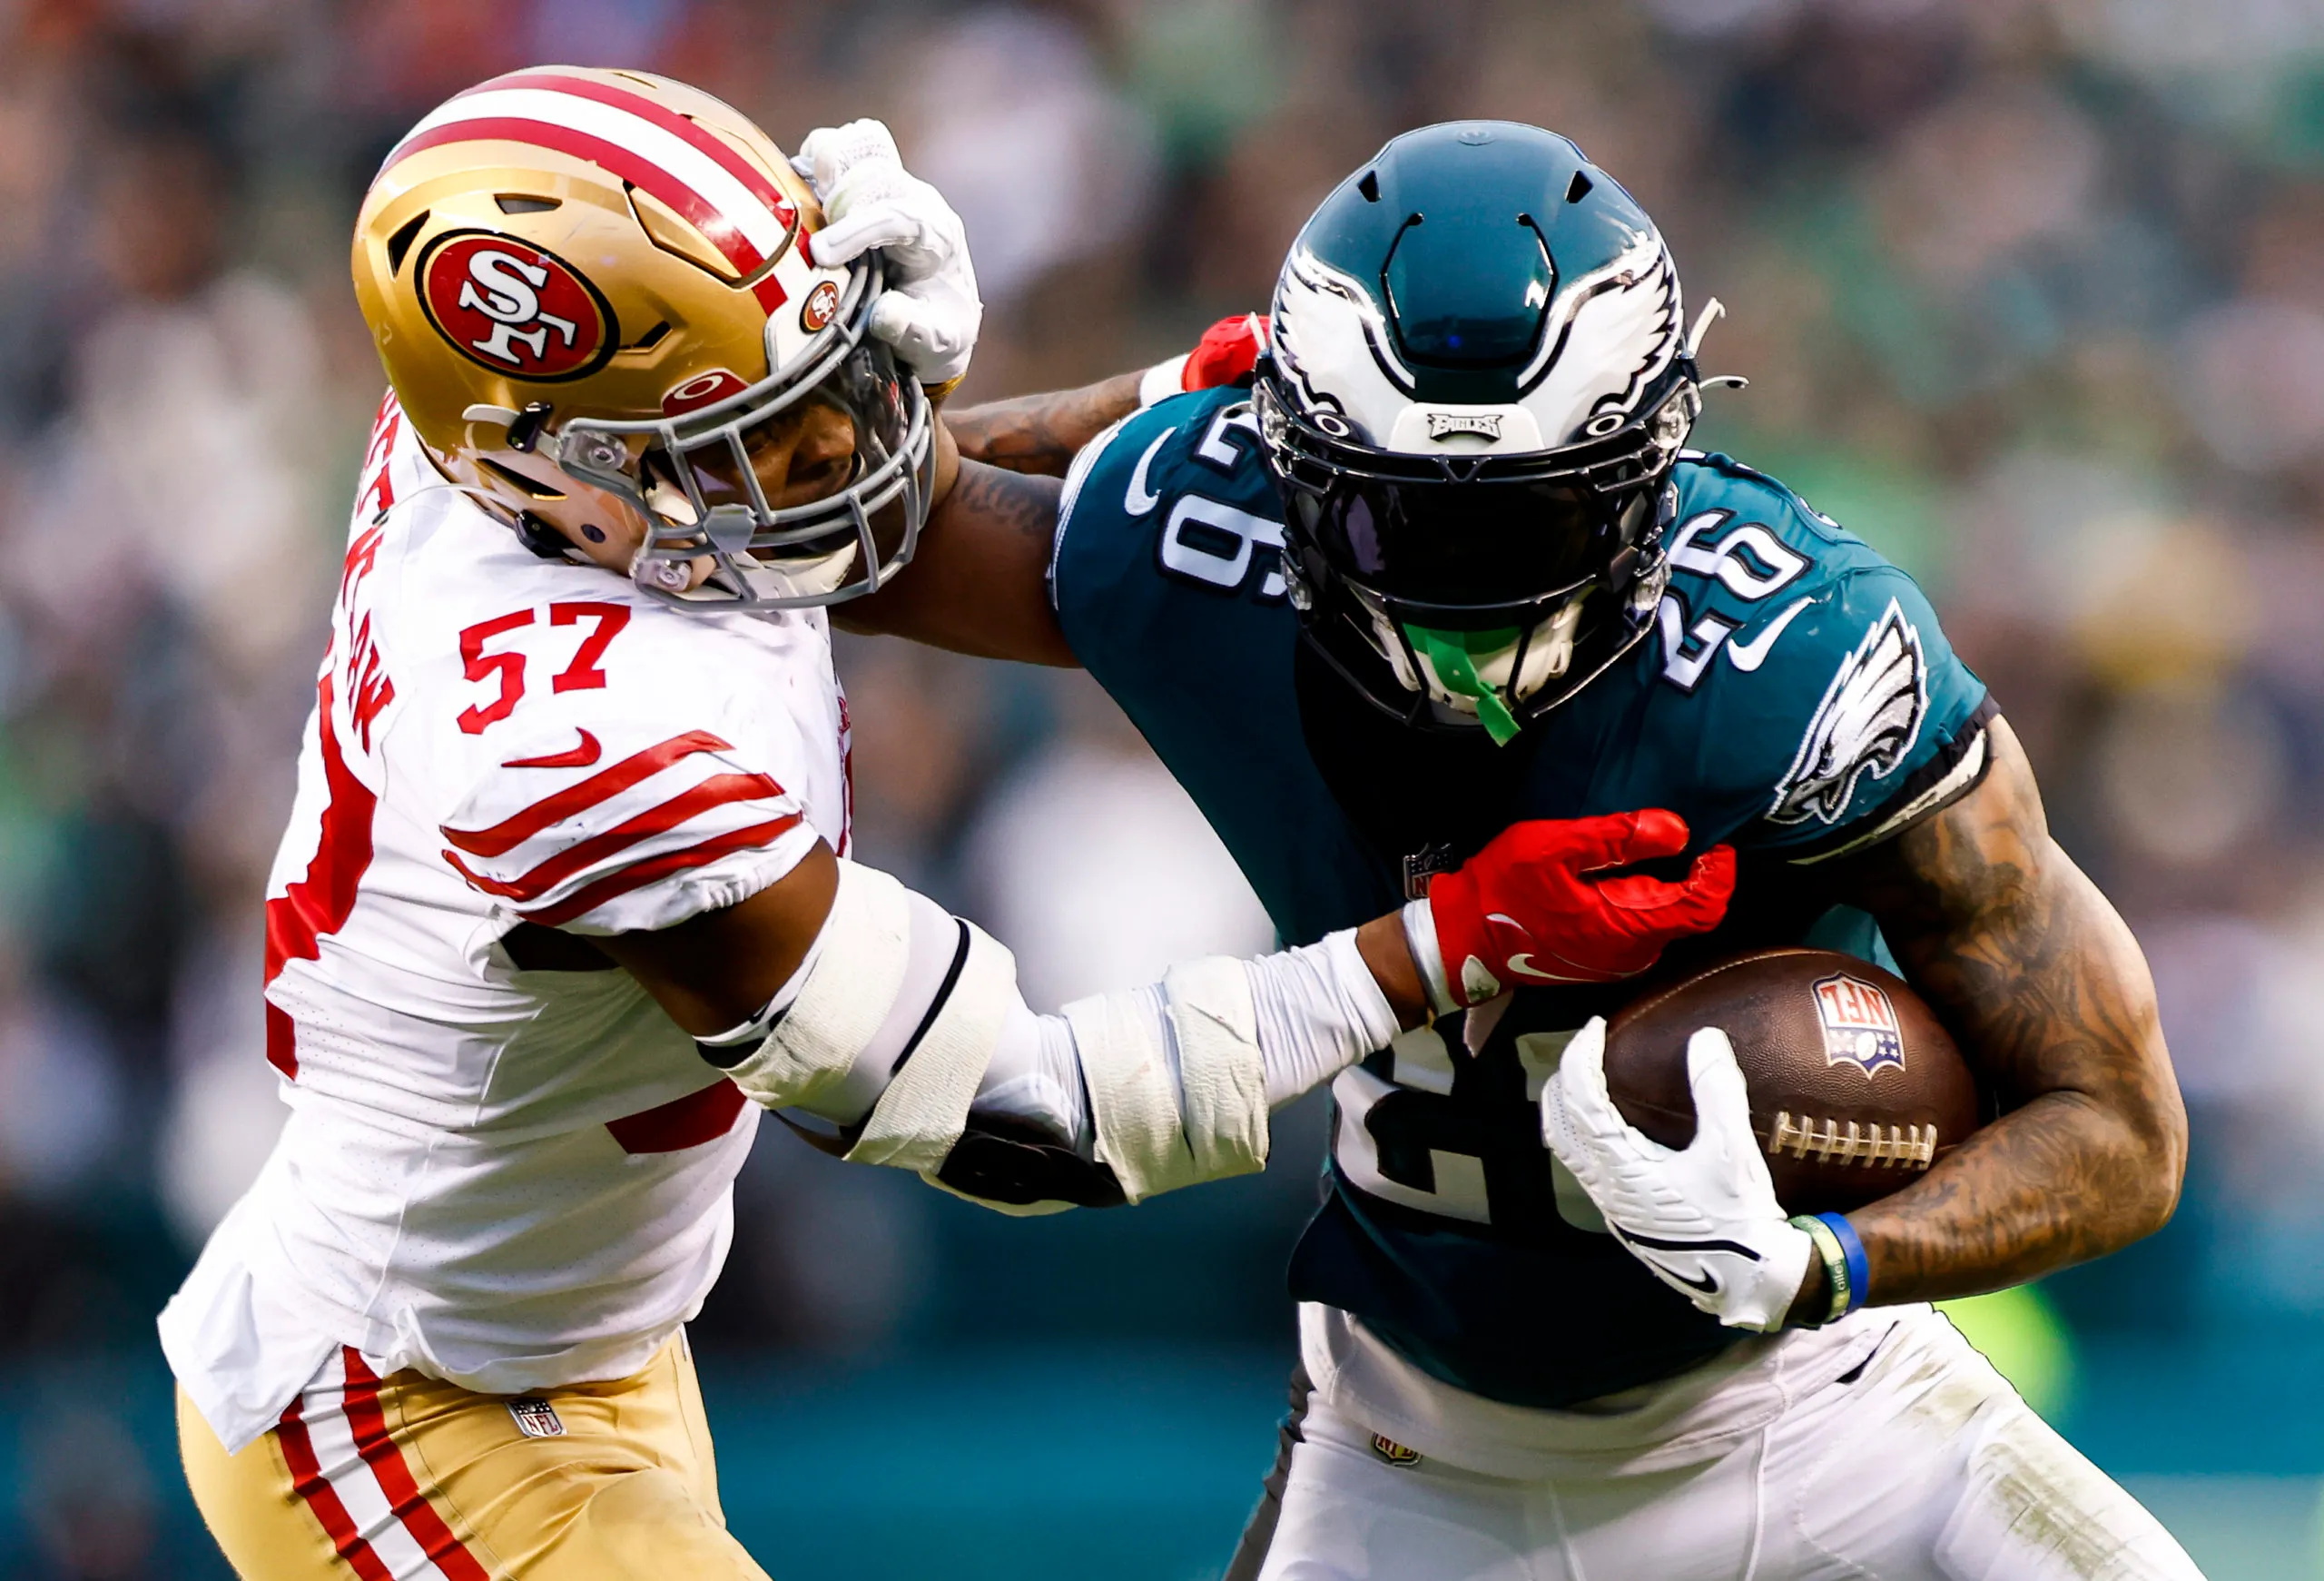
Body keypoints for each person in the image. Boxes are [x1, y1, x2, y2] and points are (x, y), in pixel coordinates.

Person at [157, 80, 1730, 1581]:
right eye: (770, 434)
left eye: (828, 375)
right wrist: (1437, 947)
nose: (844, 442)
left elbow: (812, 508)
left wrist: (1141, 405)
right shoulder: (586, 763)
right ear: (557, 481)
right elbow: (1033, 1120)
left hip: (583, 1338)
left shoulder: (520, 449)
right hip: (411, 1406)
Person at [849, 121, 2206, 1578]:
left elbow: (2122, 1129)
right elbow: (853, 543)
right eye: (1399, 519)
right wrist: (1106, 390)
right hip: (1417, 1453)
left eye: (1531, 519)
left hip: (1825, 1410)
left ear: (1653, 465)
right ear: (1286, 459)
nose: (1464, 594)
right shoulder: (1198, 522)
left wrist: (1825, 1263)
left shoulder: (1799, 660)